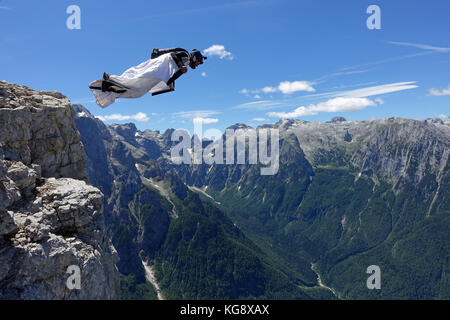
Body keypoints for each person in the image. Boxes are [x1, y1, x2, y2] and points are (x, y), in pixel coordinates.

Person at [89, 48, 207, 108]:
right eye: (198, 62)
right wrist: (180, 70)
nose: (198, 64)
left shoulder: (185, 64)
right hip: (159, 67)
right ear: (195, 57)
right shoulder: (185, 54)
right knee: (136, 80)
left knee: (138, 92)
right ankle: (110, 80)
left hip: (160, 73)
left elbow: (173, 75)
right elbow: (172, 56)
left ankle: (110, 87)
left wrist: (171, 84)